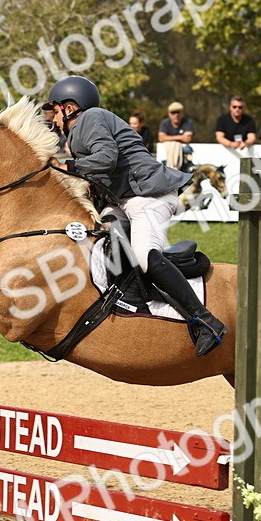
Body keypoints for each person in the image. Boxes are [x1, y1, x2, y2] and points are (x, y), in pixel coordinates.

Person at [47, 75, 226, 356]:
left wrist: (66, 166)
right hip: (121, 201)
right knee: (102, 235)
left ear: (69, 107)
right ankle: (130, 296)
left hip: (148, 196)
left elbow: (106, 159)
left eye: (54, 109)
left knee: (144, 254)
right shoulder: (77, 130)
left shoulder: (91, 118)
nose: (52, 116)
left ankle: (206, 321)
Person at [157, 102, 194, 170]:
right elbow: (161, 138)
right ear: (169, 113)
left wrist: (168, 138)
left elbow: (187, 139)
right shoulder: (164, 123)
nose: (176, 115)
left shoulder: (188, 122)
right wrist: (180, 137)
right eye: (173, 113)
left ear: (182, 113)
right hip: (167, 155)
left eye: (178, 112)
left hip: (184, 154)